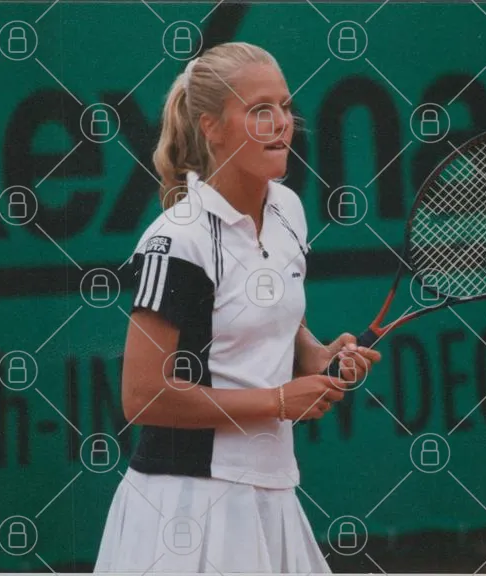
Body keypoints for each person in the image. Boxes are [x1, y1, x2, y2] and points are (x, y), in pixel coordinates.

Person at [94, 42, 381, 574]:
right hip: (185, 505)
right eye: (258, 110)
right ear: (211, 127)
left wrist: (314, 355)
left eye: (285, 106)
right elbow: (142, 395)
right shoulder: (177, 240)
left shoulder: (288, 209)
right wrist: (277, 400)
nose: (281, 123)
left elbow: (268, 312)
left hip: (273, 491)